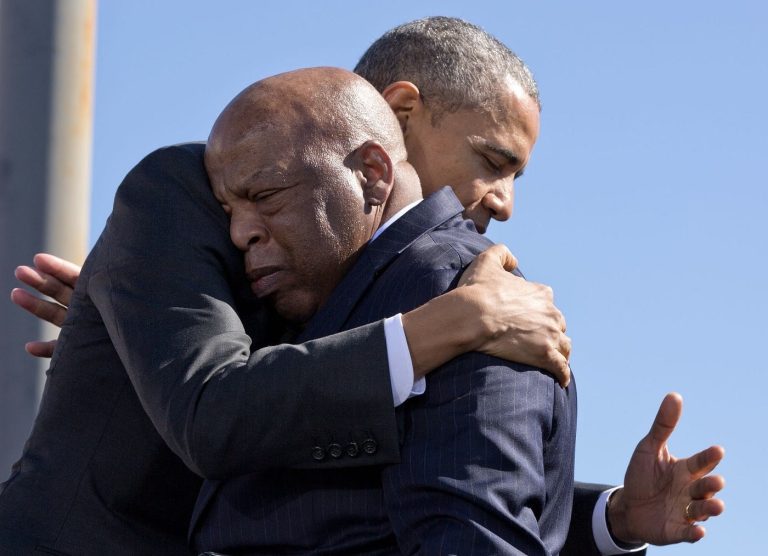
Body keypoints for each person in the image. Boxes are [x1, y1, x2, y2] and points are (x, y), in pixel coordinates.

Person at [7, 15, 724, 556]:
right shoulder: (187, 193)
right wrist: (450, 323)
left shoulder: (419, 278)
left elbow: (439, 484)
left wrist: (610, 518)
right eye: (492, 159)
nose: (505, 202)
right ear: (399, 119)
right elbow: (213, 409)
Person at [193, 65, 576, 555]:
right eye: (230, 210)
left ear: (372, 173)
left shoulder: (465, 291)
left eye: (266, 196)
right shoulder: (319, 291)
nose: (239, 232)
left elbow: (474, 538)